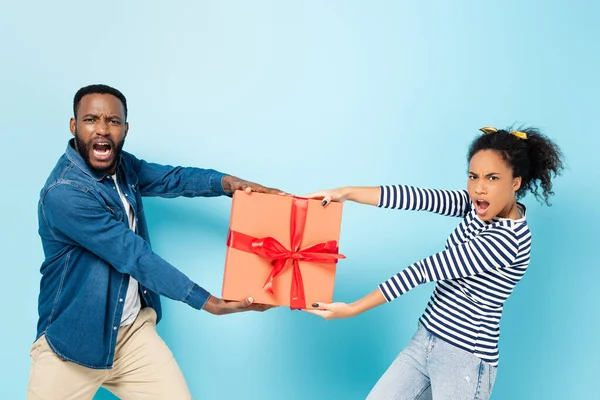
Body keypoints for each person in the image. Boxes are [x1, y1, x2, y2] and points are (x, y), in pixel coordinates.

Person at [27, 84, 282, 400]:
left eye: (113, 121)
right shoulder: (65, 193)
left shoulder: (123, 167)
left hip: (132, 335)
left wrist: (228, 184)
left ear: (125, 129)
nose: (102, 129)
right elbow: (133, 255)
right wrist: (209, 302)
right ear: (74, 125)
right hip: (72, 345)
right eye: (91, 119)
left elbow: (173, 178)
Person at [303, 126, 564, 399]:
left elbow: (425, 269)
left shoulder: (507, 241)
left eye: (492, 178)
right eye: (473, 176)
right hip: (426, 340)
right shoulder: (479, 205)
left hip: (464, 358)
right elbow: (415, 198)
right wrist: (343, 193)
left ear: (515, 182)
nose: (479, 187)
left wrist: (353, 308)